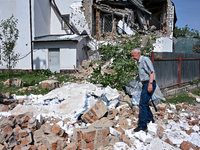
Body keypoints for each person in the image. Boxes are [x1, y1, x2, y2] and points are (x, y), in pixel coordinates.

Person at [131, 48, 156, 132]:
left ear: (138, 54)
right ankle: (150, 118)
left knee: (142, 103)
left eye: (133, 56)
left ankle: (142, 125)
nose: (132, 58)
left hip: (149, 83)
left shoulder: (145, 60)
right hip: (145, 84)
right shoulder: (140, 62)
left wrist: (150, 84)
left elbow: (152, 72)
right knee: (144, 102)